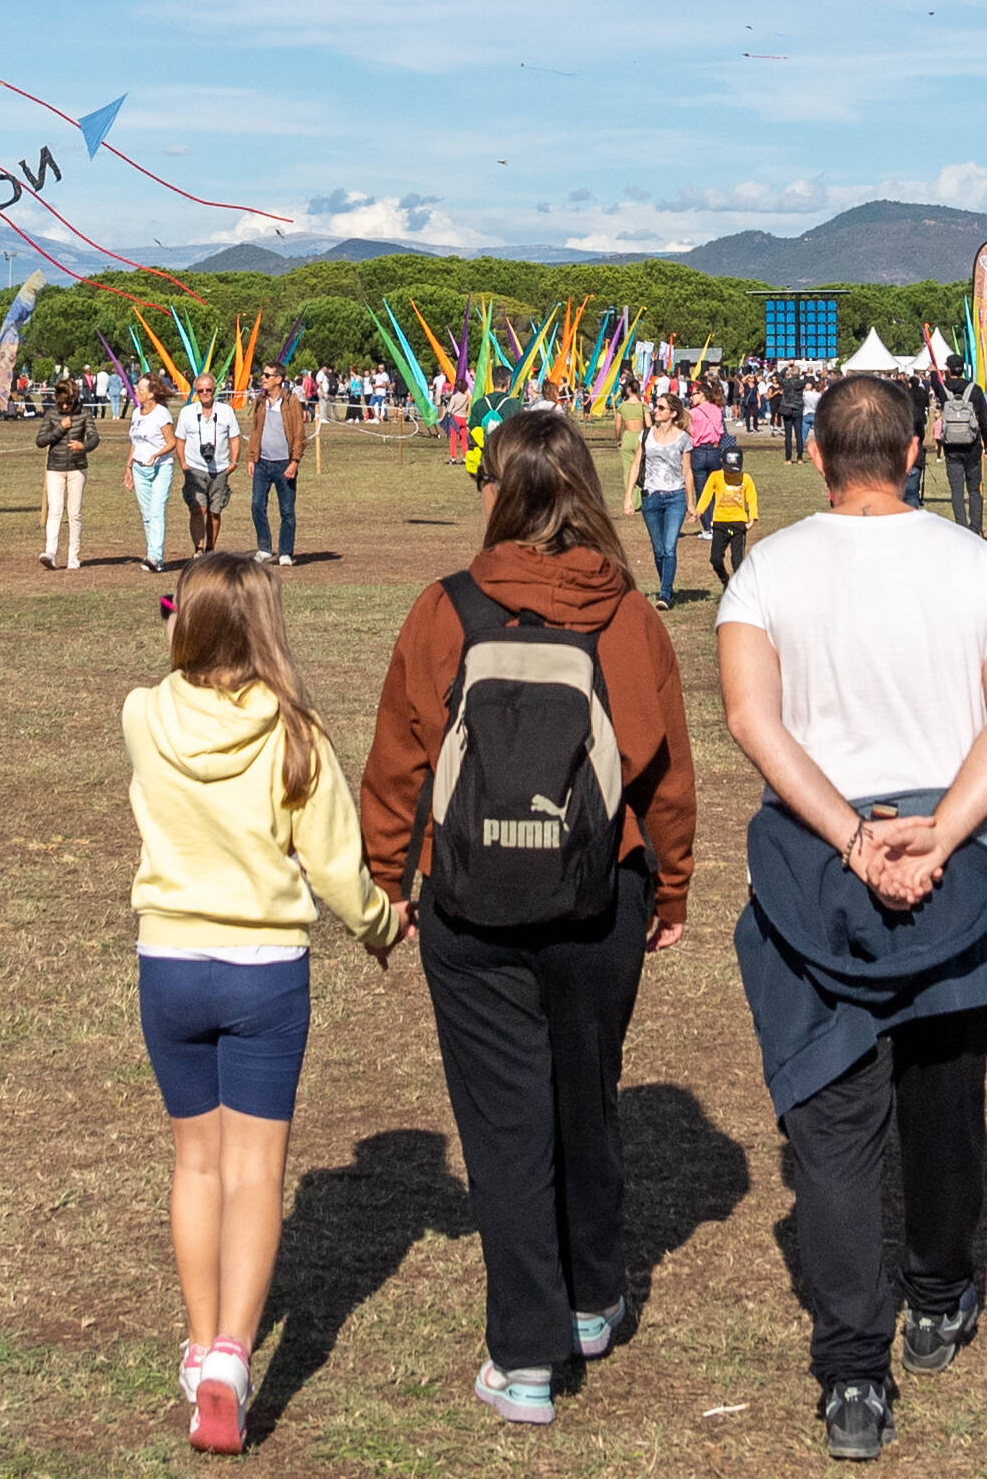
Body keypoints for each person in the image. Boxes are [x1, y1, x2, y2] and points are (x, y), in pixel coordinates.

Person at [716, 373, 987, 1464]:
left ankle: (852, 1374)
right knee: (944, 1090)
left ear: (813, 457)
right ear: (913, 453)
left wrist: (855, 838)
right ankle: (939, 1288)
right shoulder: (978, 565)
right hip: (954, 860)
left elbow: (750, 719)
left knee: (831, 1119)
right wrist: (943, 833)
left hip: (817, 860)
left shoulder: (763, 572)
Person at [357, 408, 697, 1431]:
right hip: (603, 889)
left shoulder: (443, 608)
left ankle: (524, 1357)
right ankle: (593, 1294)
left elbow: (396, 759)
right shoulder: (628, 616)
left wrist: (387, 877)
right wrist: (668, 887)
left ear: (496, 492)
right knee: (585, 1092)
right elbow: (665, 775)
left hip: (467, 895)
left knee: (503, 1125)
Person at [125, 551, 400, 1454]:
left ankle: (200, 1339)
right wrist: (378, 923)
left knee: (193, 1163)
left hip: (169, 960)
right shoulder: (296, 735)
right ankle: (233, 1361)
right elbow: (333, 864)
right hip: (264, 969)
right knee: (253, 1173)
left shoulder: (143, 715)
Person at [633, 385, 696, 605]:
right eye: (655, 406)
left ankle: (666, 595)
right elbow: (635, 465)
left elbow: (687, 471)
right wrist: (627, 497)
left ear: (673, 413)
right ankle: (665, 586)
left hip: (675, 497)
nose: (655, 410)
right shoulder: (646, 434)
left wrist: (691, 503)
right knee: (658, 550)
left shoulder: (683, 438)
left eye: (660, 407)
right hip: (650, 496)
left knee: (669, 547)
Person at [39, 378, 99, 569]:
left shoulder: (85, 413)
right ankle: (50, 553)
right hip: (54, 468)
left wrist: (84, 446)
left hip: (77, 467)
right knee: (55, 510)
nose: (65, 406)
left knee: (74, 513)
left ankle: (73, 557)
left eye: (69, 403)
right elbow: (40, 441)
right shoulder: (51, 414)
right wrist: (59, 428)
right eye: (61, 403)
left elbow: (94, 438)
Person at [178, 373, 238, 557]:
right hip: (194, 469)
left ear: (214, 390)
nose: (205, 393)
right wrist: (183, 464)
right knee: (198, 509)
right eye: (201, 390)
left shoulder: (226, 411)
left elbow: (234, 438)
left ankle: (211, 549)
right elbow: (179, 440)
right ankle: (198, 548)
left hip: (220, 469)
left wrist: (233, 463)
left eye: (208, 390)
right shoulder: (187, 412)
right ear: (196, 392)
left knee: (214, 511)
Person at [128, 375, 184, 570]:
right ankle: (152, 553)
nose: (136, 392)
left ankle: (155, 556)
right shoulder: (136, 413)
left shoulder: (162, 414)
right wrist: (129, 468)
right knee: (146, 514)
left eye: (140, 389)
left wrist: (156, 455)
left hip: (161, 467)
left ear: (151, 394)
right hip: (139, 468)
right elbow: (134, 444)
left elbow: (172, 442)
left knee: (156, 510)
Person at [249, 369, 303, 566]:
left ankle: (285, 552)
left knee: (287, 510)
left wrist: (294, 461)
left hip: (284, 463)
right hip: (262, 463)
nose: (262, 378)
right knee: (256, 505)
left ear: (278, 379)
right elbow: (255, 430)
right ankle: (264, 548)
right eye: (262, 375)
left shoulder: (291, 402)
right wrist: (251, 457)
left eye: (267, 375)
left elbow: (299, 433)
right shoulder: (260, 401)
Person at [932, 373, 987, 533]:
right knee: (973, 489)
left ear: (949, 370)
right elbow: (984, 418)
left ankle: (961, 527)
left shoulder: (944, 390)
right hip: (972, 447)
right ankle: (975, 526)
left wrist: (933, 372)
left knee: (956, 490)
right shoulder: (975, 390)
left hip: (952, 449)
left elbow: (935, 385)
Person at [700, 446, 760, 590]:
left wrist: (752, 518)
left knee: (737, 561)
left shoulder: (746, 479)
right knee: (715, 559)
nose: (732, 474)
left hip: (738, 524)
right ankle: (726, 581)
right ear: (721, 462)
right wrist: (698, 511)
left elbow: (752, 498)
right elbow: (707, 494)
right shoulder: (715, 476)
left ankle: (740, 591)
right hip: (720, 522)